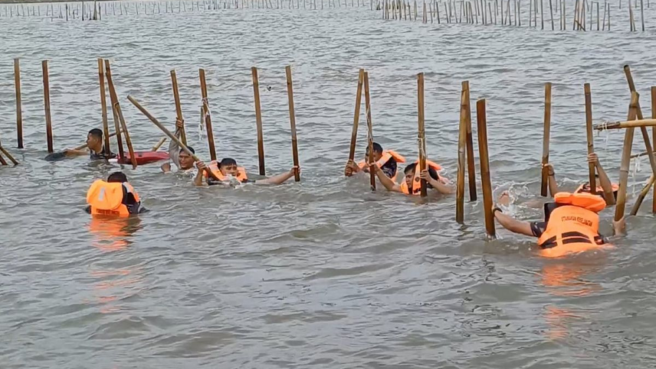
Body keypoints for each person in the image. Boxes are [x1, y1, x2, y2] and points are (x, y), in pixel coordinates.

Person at [492, 191, 625, 258]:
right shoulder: (590, 231)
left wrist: (495, 210)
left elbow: (511, 225)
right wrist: (618, 230)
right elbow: (616, 242)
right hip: (591, 257)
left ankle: (503, 204)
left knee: (533, 248)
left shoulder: (547, 226)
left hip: (554, 260)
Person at [544, 153, 618, 205]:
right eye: (588, 185)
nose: (591, 184)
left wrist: (597, 164)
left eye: (597, 183)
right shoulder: (579, 196)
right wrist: (551, 174)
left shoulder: (607, 201)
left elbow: (608, 191)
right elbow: (556, 196)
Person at [194, 158, 299, 187]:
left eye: (234, 168)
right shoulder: (212, 180)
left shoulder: (242, 181)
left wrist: (289, 174)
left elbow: (269, 182)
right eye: (228, 168)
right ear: (220, 169)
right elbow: (198, 185)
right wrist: (200, 172)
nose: (232, 171)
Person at [373, 161, 454, 195]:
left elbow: (450, 191)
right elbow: (391, 186)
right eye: (406, 177)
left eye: (409, 177)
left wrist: (430, 180)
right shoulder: (407, 188)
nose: (407, 180)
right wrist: (378, 171)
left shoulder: (432, 187)